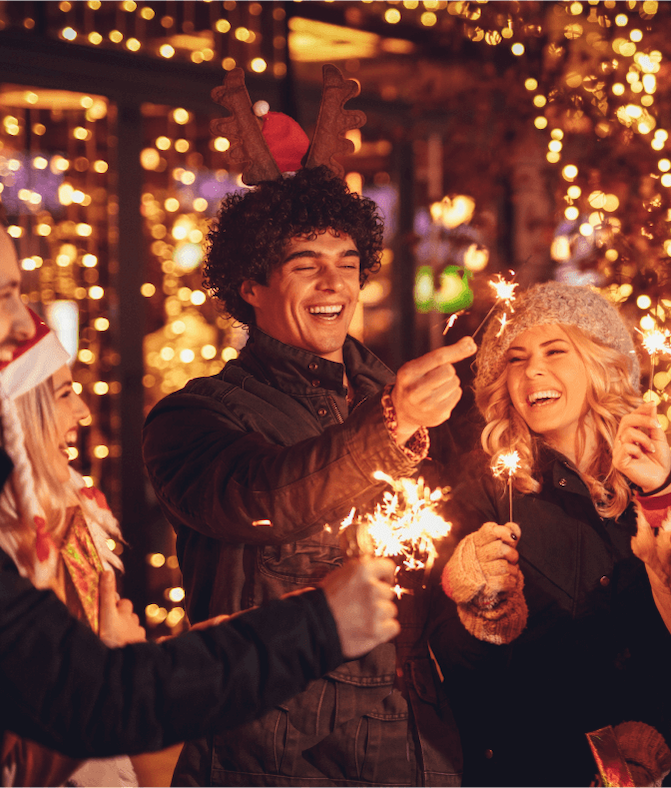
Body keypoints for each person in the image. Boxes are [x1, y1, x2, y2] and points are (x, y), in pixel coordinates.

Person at [0, 171, 402, 788]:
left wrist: (12, 711)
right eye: (2, 296)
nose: (23, 327)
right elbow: (83, 699)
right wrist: (321, 623)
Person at [143, 165, 476, 787]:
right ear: (251, 285)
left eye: (348, 263)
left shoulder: (397, 396)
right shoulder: (194, 416)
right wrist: (391, 422)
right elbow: (264, 495)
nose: (334, 283)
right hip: (276, 761)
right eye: (305, 264)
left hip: (420, 750)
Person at [432, 281, 671, 787]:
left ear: (599, 364)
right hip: (536, 767)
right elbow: (454, 669)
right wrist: (475, 610)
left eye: (554, 350)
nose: (532, 369)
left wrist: (654, 738)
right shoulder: (489, 491)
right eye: (516, 358)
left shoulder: (662, 480)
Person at [0, 312, 145, 787]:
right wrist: (112, 662)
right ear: (17, 411)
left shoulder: (67, 510)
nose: (84, 413)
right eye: (64, 394)